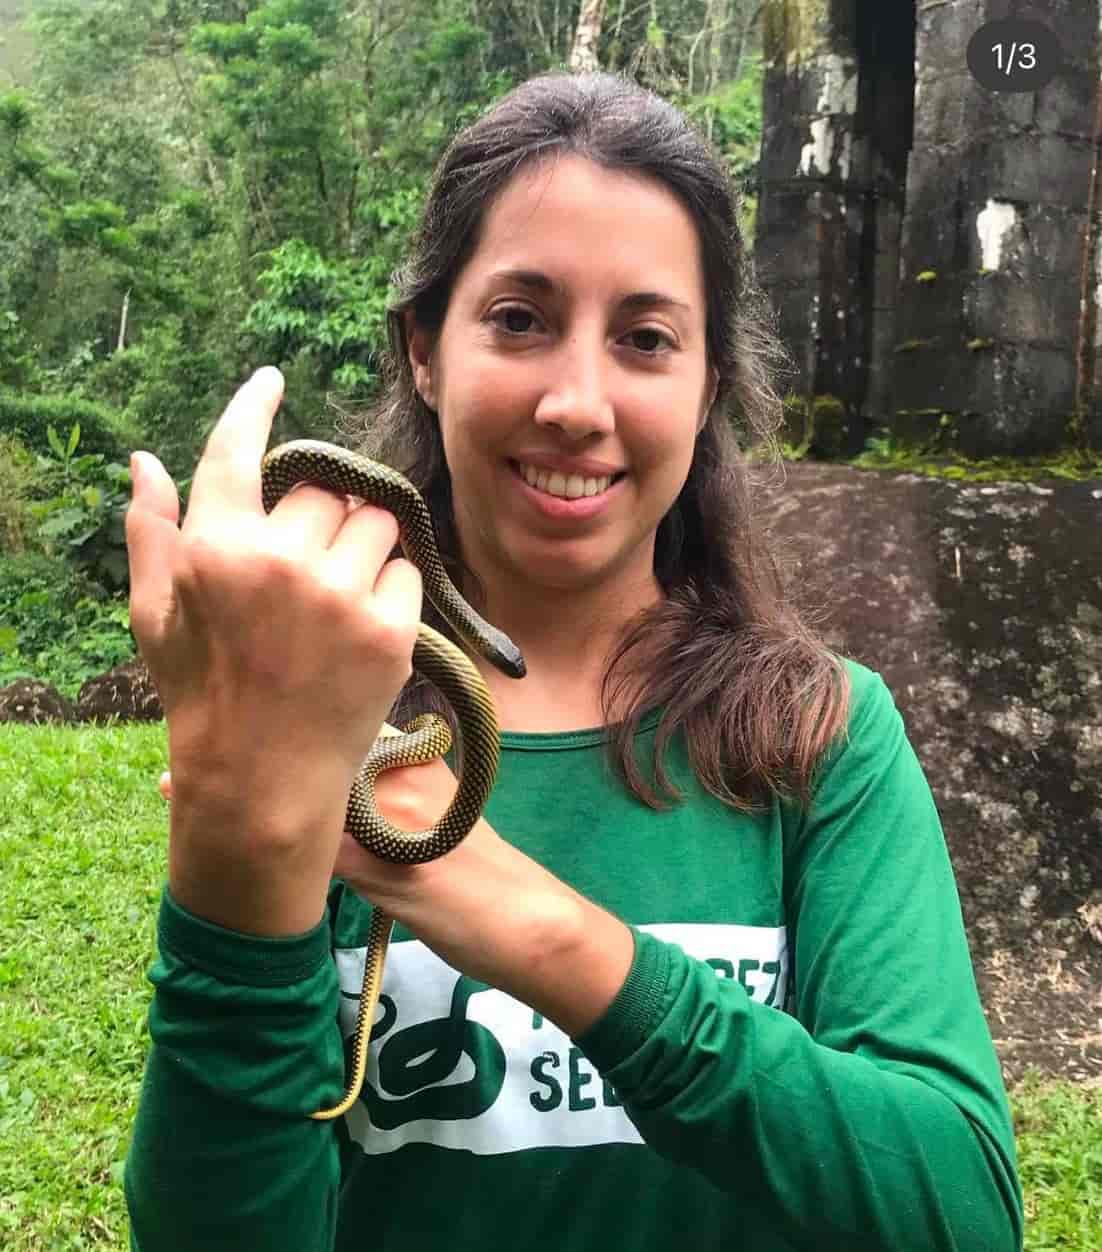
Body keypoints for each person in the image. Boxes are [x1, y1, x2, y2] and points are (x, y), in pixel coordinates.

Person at [123, 71, 1023, 1251]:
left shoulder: (819, 734)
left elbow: (959, 1211)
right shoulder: (318, 721)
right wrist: (240, 843)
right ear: (425, 349)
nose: (577, 403)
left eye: (645, 339)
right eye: (518, 319)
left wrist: (534, 925)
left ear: (706, 389)